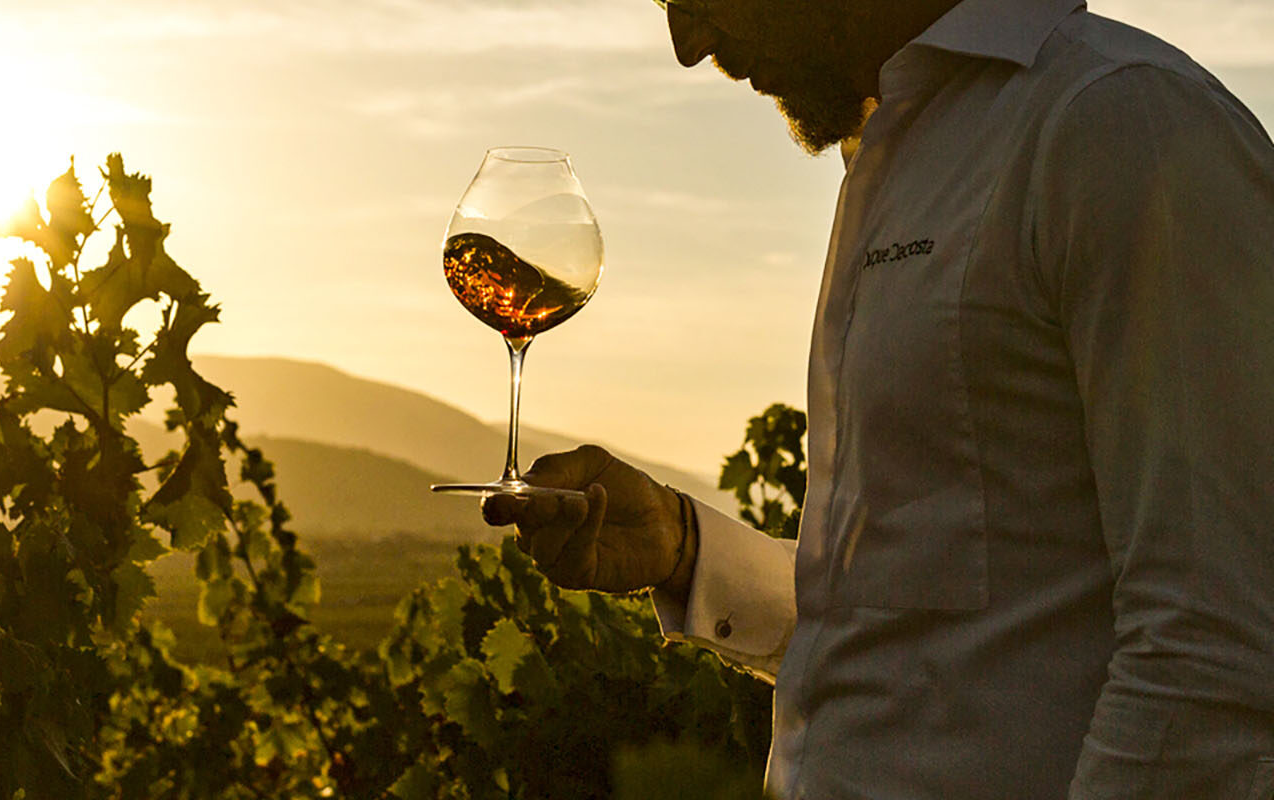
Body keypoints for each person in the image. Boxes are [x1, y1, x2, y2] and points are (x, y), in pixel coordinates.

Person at [480, 0, 1274, 797]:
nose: (688, 44)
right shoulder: (905, 151)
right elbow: (919, 627)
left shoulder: (1123, 122)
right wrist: (689, 551)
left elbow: (1213, 658)